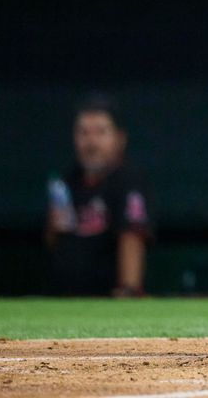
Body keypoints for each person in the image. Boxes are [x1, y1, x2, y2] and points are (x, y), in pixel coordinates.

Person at [46, 94, 154, 297]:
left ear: (120, 138)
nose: (91, 142)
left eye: (101, 132)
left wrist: (129, 289)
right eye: (83, 132)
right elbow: (53, 241)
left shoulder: (128, 179)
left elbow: (132, 236)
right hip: (65, 299)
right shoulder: (67, 181)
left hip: (107, 300)